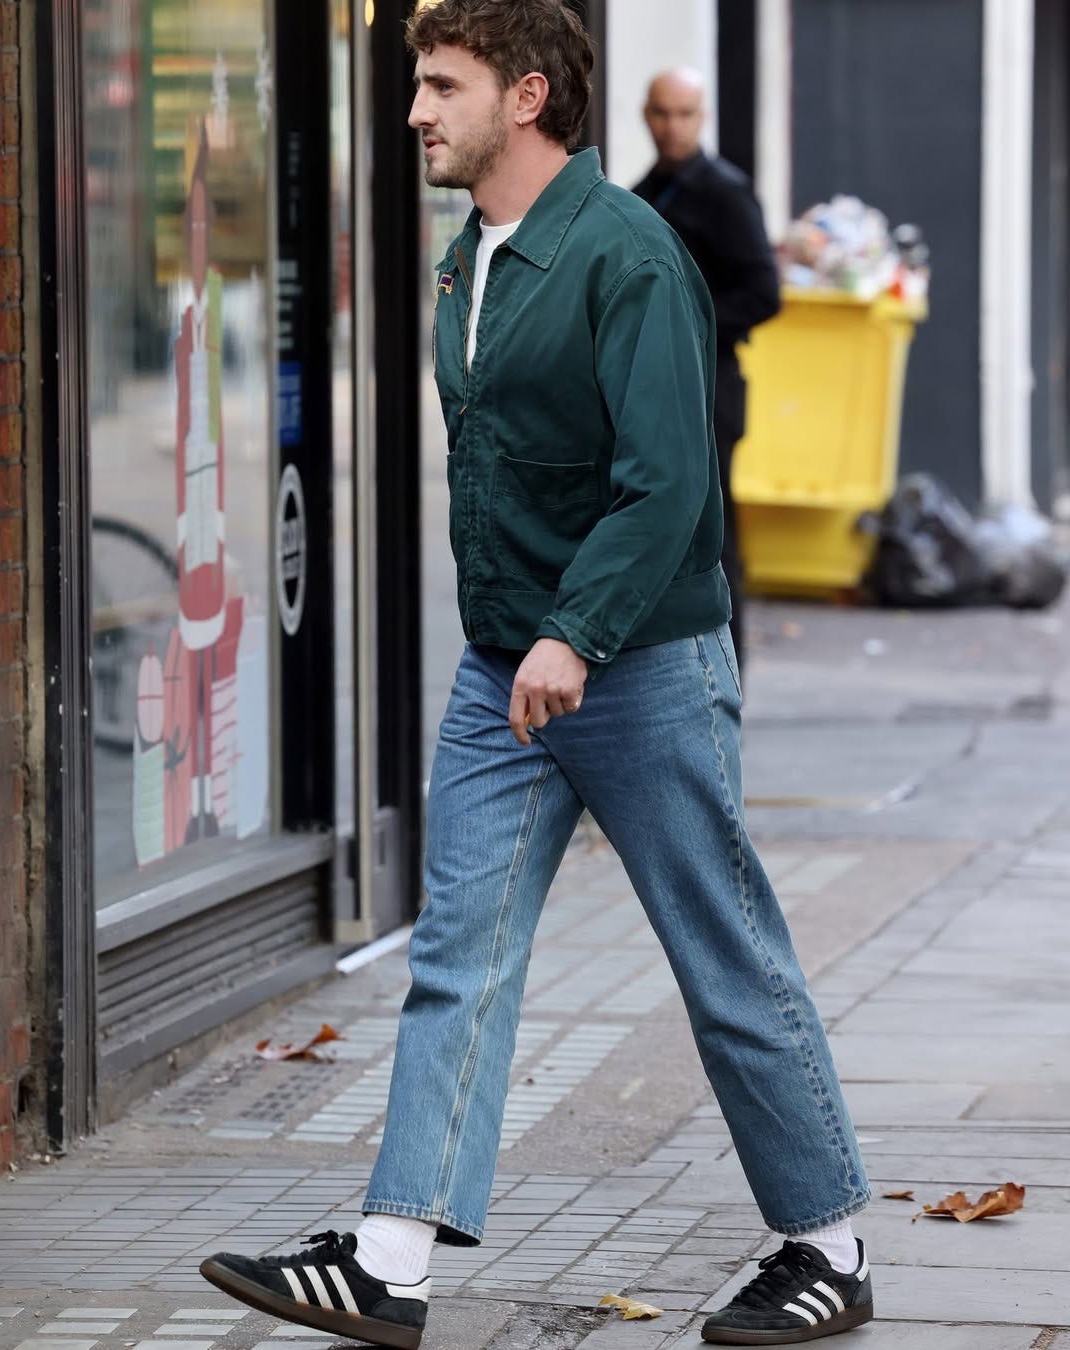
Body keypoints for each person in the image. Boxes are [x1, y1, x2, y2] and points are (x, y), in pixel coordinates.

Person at [199, 3, 872, 1346]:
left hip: (640, 666)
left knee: (724, 955)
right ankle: (391, 1257)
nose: (415, 112)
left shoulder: (628, 255)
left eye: (440, 86)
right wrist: (525, 637)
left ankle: (830, 1244)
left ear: (524, 96)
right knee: (458, 954)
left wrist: (576, 633)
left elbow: (668, 482)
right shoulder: (472, 260)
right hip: (505, 673)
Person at [633, 69, 781, 674]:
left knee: (714, 540)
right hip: (653, 388)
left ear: (703, 117)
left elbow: (764, 293)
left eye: (685, 114)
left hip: (710, 388)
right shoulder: (643, 192)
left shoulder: (725, 193)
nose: (673, 127)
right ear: (646, 116)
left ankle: (726, 674)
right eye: (663, 113)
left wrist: (690, 318)